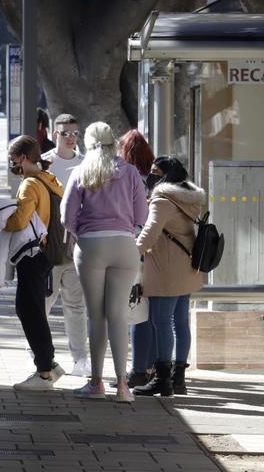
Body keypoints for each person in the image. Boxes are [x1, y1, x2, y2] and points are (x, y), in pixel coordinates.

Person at [62, 121, 148, 403]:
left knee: (95, 315)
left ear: (86, 144)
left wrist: (81, 232)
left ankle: (96, 382)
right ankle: (123, 386)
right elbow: (141, 217)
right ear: (113, 143)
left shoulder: (80, 171)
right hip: (125, 245)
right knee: (119, 315)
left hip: (91, 246)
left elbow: (67, 217)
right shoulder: (131, 172)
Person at [132, 157, 205, 397]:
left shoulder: (162, 200)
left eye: (155, 172)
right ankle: (178, 379)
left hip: (165, 269)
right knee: (180, 322)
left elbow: (149, 234)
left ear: (165, 175)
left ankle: (162, 380)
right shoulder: (188, 198)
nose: (150, 176)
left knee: (161, 321)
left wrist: (130, 253)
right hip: (186, 268)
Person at [5, 135, 67, 390]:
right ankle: (49, 363)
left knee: (29, 310)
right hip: (47, 252)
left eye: (12, 158)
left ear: (23, 157)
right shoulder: (49, 180)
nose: (11, 163)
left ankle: (44, 371)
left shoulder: (29, 184)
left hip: (31, 254)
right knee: (32, 308)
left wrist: (0, 222)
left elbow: (20, 220)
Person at [41, 113, 91, 377]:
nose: (71, 138)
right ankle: (41, 354)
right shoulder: (44, 164)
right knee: (45, 302)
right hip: (49, 246)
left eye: (75, 133)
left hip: (77, 245)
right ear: (54, 134)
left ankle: (80, 358)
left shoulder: (86, 164)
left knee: (76, 304)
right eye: (65, 133)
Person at [117, 129, 158, 388]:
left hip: (136, 247)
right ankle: (153, 365)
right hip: (158, 252)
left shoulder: (127, 178)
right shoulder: (157, 179)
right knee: (153, 312)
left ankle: (138, 369)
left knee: (136, 308)